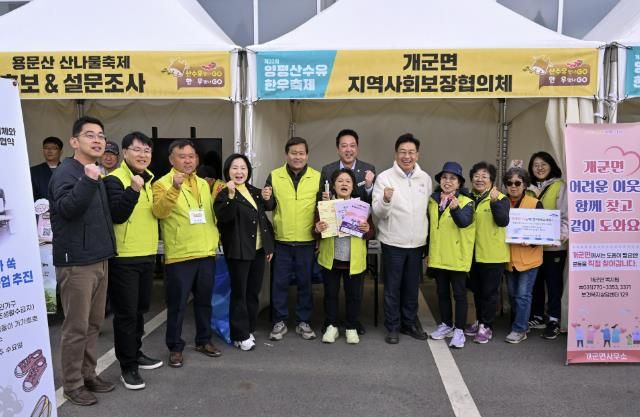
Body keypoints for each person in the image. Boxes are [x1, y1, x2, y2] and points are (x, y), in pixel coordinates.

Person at [49, 116, 116, 406]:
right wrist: (88, 180)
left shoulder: (93, 171)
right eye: (90, 135)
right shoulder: (67, 172)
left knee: (92, 324)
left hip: (98, 258)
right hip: (76, 262)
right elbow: (67, 209)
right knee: (76, 327)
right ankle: (72, 384)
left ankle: (88, 374)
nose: (98, 140)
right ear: (74, 141)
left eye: (101, 135)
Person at [152, 139, 221, 368]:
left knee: (204, 302)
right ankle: (175, 347)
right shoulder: (161, 183)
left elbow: (208, 213)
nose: (188, 160)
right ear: (171, 159)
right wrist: (174, 188)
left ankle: (204, 340)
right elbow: (159, 211)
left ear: (197, 159)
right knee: (177, 305)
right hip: (180, 254)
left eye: (191, 156)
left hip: (206, 252)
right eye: (182, 156)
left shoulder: (203, 183)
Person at [103, 132, 163, 390]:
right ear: (125, 153)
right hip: (124, 257)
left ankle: (136, 353)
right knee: (126, 315)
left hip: (146, 254)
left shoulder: (148, 179)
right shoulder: (115, 179)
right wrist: (134, 189)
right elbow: (117, 214)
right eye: (137, 150)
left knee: (139, 311)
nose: (143, 155)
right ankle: (127, 367)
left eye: (147, 150)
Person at [372, 133, 432, 344]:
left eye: (411, 152)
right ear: (395, 154)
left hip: (416, 243)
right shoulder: (385, 178)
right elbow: (378, 212)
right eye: (403, 152)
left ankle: (409, 323)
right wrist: (386, 199)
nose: (407, 156)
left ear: (417, 154)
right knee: (392, 287)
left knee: (411, 287)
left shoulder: (425, 179)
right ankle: (393, 326)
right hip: (393, 242)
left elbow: (427, 210)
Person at [214, 154, 275, 351]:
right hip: (238, 250)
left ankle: (248, 328)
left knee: (253, 292)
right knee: (239, 293)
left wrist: (268, 246)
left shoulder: (253, 191)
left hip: (258, 250)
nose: (239, 172)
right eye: (235, 168)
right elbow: (225, 217)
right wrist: (231, 196)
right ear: (227, 171)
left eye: (243, 168)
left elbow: (265, 215)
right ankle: (239, 335)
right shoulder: (223, 193)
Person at [263, 137, 321, 341]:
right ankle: (279, 321)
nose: (298, 157)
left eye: (301, 153)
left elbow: (322, 210)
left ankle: (303, 322)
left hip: (307, 241)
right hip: (282, 241)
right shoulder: (274, 176)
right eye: (293, 153)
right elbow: (269, 206)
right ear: (286, 154)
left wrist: (319, 238)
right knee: (279, 284)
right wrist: (266, 199)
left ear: (307, 155)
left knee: (306, 284)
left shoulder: (317, 177)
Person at [313, 168, 375, 345]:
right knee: (330, 295)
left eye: (348, 181)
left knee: (354, 296)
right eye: (340, 181)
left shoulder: (361, 207)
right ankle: (331, 326)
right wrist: (317, 229)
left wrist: (366, 229)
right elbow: (315, 231)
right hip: (331, 259)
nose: (344, 184)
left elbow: (371, 232)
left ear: (353, 186)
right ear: (333, 186)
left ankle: (351, 327)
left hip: (354, 260)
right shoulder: (325, 206)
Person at [427, 162, 475, 349]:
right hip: (438, 256)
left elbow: (464, 222)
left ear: (459, 183)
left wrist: (455, 209)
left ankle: (459, 330)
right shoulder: (433, 201)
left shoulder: (466, 202)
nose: (448, 181)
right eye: (445, 177)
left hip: (457, 257)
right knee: (442, 293)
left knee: (460, 295)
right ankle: (446, 324)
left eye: (453, 178)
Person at [464, 162, 510, 344]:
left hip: (493, 255)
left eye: (484, 176)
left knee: (489, 293)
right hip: (474, 254)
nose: (479, 179)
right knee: (477, 290)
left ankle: (486, 326)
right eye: (476, 176)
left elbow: (503, 221)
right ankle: (479, 320)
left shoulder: (501, 198)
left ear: (492, 180)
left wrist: (494, 202)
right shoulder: (469, 198)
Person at [526, 151, 569, 340]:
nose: (540, 168)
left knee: (553, 283)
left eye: (544, 164)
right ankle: (537, 315)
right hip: (532, 246)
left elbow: (566, 216)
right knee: (535, 282)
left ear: (552, 166)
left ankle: (554, 319)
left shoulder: (560, 186)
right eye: (535, 165)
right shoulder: (527, 187)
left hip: (554, 247)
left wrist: (560, 237)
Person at [502, 167, 543, 344]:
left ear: (525, 185)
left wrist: (531, 241)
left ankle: (519, 329)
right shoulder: (502, 202)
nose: (513, 186)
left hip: (529, 258)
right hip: (508, 258)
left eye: (517, 183)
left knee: (522, 295)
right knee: (512, 295)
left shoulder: (535, 203)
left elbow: (543, 231)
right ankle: (519, 323)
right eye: (509, 183)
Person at [320, 129, 376, 204]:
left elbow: (375, 202)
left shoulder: (368, 169)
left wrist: (368, 188)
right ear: (337, 149)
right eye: (344, 146)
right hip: (335, 211)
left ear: (357, 148)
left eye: (352, 146)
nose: (348, 149)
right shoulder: (327, 170)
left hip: (362, 211)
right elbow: (320, 200)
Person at [30, 136, 63, 201]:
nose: (49, 151)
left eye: (54, 148)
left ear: (61, 152)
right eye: (46, 148)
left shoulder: (68, 170)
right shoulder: (33, 171)